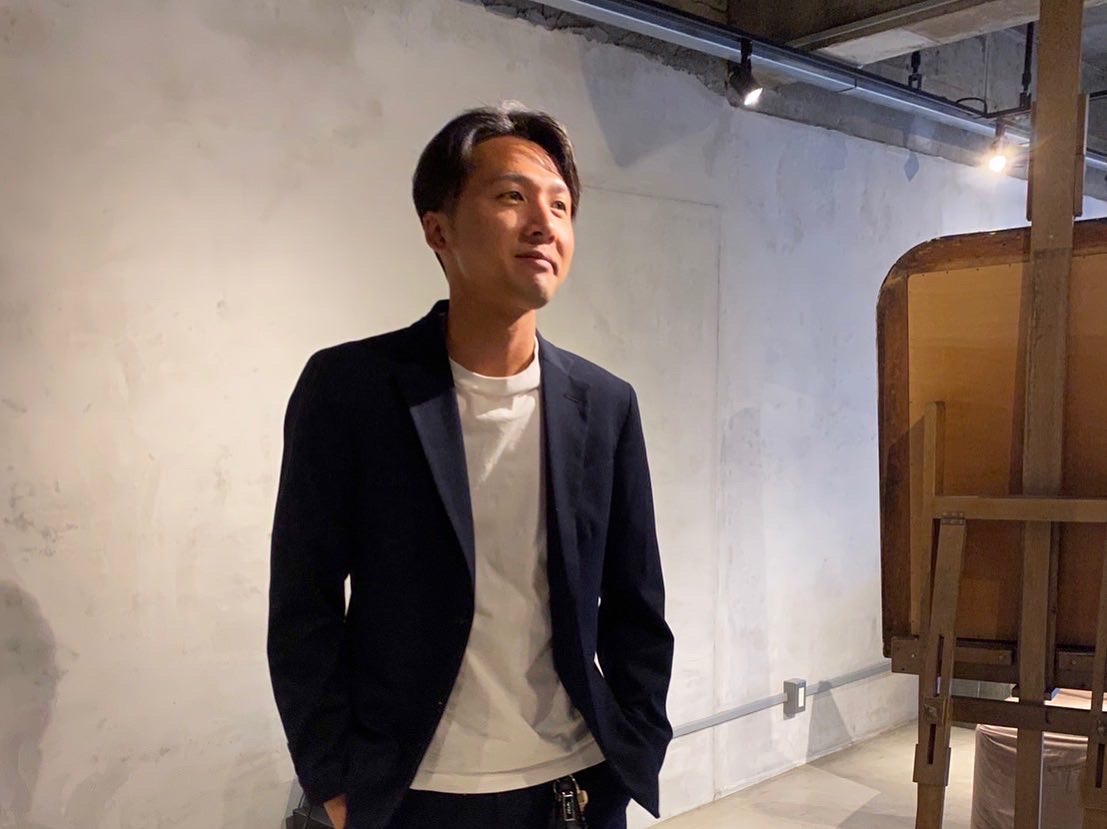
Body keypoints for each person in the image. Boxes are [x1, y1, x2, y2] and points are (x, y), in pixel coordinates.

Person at [267, 103, 674, 829]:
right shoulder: (351, 389)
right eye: (512, 196)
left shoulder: (605, 404)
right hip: (413, 791)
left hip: (573, 786)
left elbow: (635, 604)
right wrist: (331, 777)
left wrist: (639, 739)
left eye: (560, 205)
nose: (544, 224)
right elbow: (304, 600)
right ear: (438, 229)